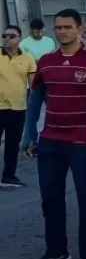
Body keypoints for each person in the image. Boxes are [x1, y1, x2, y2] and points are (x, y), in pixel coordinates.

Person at [22, 9, 86, 259]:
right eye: (59, 27)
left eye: (68, 27)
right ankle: (57, 252)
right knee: (50, 199)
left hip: (82, 141)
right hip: (50, 141)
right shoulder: (45, 61)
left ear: (80, 28)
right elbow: (34, 101)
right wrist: (28, 136)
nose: (62, 31)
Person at [0, 26, 36, 187]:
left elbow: (33, 85)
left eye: (11, 36)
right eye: (4, 36)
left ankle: (9, 176)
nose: (7, 39)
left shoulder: (28, 58)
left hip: (19, 108)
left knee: (12, 144)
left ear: (20, 38)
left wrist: (33, 105)